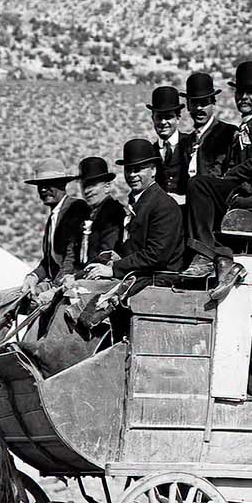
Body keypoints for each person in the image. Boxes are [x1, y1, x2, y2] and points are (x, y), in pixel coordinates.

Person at [183, 60, 252, 301]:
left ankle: (207, 255)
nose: (243, 97)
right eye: (240, 92)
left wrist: (227, 177)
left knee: (200, 186)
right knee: (195, 193)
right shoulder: (242, 128)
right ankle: (219, 258)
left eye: (251, 92)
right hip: (245, 193)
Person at [0, 158, 88, 358]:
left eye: (49, 185)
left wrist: (53, 289)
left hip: (67, 285)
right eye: (40, 186)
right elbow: (47, 261)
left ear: (63, 185)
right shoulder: (52, 217)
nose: (44, 190)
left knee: (23, 319)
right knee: (4, 297)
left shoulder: (75, 209)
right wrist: (33, 277)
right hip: (51, 284)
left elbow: (71, 258)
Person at [77, 138, 185, 327]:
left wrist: (113, 269)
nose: (132, 175)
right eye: (129, 169)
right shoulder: (139, 202)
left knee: (86, 302)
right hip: (138, 276)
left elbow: (156, 255)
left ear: (153, 170)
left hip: (157, 280)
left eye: (139, 169)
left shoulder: (163, 205)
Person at [181, 71, 235, 185]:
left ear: (213, 103)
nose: (199, 108)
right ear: (188, 105)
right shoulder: (187, 142)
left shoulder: (228, 133)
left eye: (204, 102)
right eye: (194, 103)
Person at [73, 155, 124, 273]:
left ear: (107, 187)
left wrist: (76, 276)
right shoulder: (86, 214)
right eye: (84, 185)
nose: (87, 191)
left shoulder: (114, 212)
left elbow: (105, 254)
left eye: (92, 185)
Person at [146, 85, 189, 204]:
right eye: (159, 117)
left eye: (169, 117)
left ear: (178, 118)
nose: (163, 122)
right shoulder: (150, 152)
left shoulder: (191, 144)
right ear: (153, 118)